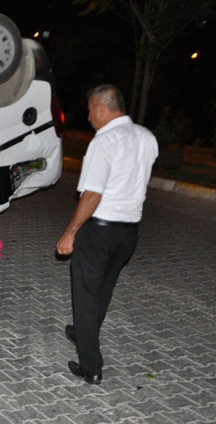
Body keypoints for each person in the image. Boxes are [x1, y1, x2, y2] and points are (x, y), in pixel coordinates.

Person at [55, 84, 158, 385]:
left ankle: (91, 366)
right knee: (103, 289)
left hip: (99, 230)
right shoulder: (147, 138)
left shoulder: (104, 141)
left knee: (85, 296)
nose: (88, 117)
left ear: (101, 108)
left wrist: (70, 233)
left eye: (89, 111)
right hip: (129, 233)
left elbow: (92, 195)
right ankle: (83, 332)